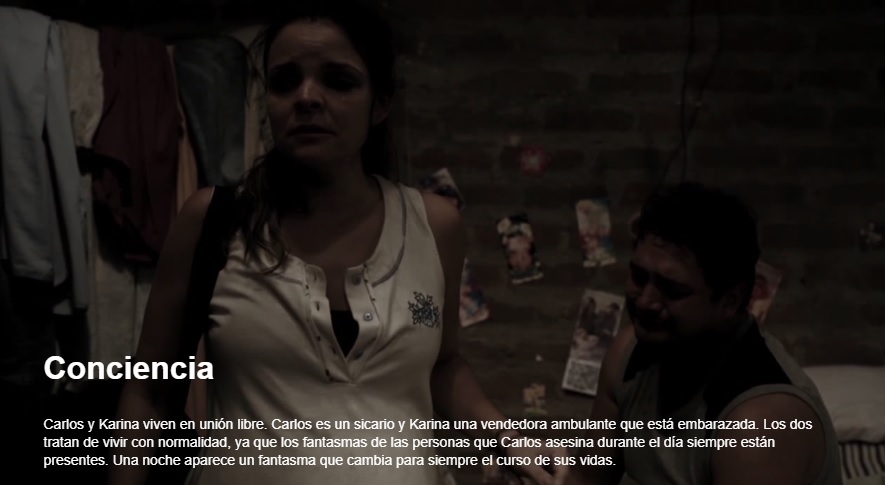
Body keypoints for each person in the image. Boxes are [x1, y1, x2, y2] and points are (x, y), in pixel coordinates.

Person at [107, 1, 566, 484]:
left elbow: (443, 366)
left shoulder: (434, 226)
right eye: (285, 81)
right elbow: (149, 391)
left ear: (380, 103)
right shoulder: (215, 220)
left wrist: (506, 437)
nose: (307, 97)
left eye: (339, 81)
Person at [568, 182, 842, 485]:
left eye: (672, 290)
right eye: (639, 277)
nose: (645, 301)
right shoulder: (629, 353)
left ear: (730, 301)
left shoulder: (757, 426)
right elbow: (585, 477)